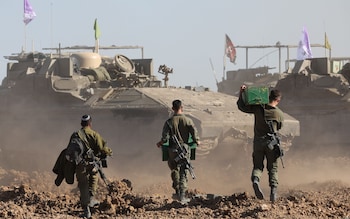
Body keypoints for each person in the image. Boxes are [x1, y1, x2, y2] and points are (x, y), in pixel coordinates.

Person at [237, 85, 284, 202]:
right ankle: (273, 192)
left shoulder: (259, 108)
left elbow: (241, 106)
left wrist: (241, 93)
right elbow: (279, 127)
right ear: (278, 100)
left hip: (258, 142)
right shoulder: (279, 114)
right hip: (271, 144)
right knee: (272, 168)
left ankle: (256, 180)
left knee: (258, 166)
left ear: (268, 97)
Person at [156, 100, 200, 204]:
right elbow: (194, 133)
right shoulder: (188, 120)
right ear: (182, 107)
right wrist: (197, 141)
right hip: (184, 148)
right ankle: (182, 194)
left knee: (174, 169)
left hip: (172, 149)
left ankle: (177, 189)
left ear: (173, 108)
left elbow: (165, 138)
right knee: (184, 171)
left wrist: (160, 143)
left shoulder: (169, 122)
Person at [74, 114, 113, 218]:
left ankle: (86, 208)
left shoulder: (76, 135)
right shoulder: (94, 134)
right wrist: (109, 152)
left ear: (81, 124)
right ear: (90, 123)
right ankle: (89, 202)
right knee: (93, 181)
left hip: (80, 165)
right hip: (92, 164)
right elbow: (102, 148)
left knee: (83, 185)